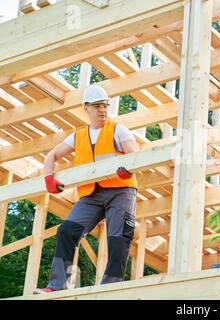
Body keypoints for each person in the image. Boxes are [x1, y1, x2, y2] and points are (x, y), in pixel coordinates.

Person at [33, 84, 139, 294]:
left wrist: (130, 167)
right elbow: (51, 156)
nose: (102, 110)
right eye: (98, 106)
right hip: (91, 195)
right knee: (66, 231)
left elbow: (135, 154)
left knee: (118, 238)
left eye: (105, 105)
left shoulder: (118, 129)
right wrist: (48, 177)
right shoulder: (78, 137)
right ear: (86, 108)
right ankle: (57, 285)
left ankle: (110, 288)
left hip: (120, 191)